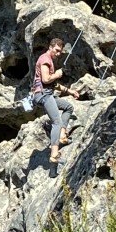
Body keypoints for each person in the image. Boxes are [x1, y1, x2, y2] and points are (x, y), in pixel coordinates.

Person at [31, 36, 81, 165]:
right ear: (50, 47)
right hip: (43, 95)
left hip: (47, 93)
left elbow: (54, 85)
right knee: (56, 122)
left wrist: (70, 91)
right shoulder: (45, 60)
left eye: (60, 51)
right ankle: (54, 155)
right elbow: (46, 80)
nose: (58, 53)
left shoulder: (50, 60)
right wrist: (57, 75)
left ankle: (63, 136)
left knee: (68, 107)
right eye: (56, 50)